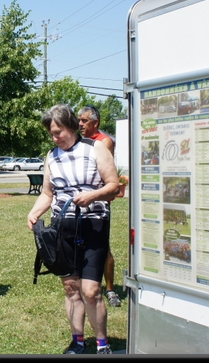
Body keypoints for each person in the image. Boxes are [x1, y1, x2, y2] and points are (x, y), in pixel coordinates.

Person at [27, 104, 119, 354]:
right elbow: (48, 193)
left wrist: (93, 196)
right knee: (71, 288)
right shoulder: (51, 156)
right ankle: (78, 342)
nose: (55, 138)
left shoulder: (95, 148)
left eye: (58, 132)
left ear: (70, 126)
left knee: (91, 290)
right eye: (51, 134)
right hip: (63, 228)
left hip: (93, 225)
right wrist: (35, 212)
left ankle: (102, 344)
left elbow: (114, 185)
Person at [78, 105, 122, 308]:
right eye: (79, 120)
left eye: (84, 121)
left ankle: (110, 289)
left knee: (103, 247)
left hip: (99, 202)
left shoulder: (104, 142)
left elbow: (104, 174)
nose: (80, 124)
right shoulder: (79, 141)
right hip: (81, 201)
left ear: (95, 123)